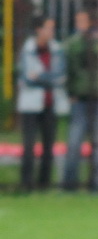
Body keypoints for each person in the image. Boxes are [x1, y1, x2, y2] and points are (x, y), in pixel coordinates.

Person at [16, 15, 69, 192]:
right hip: (30, 104)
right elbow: (26, 78)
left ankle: (44, 184)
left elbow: (60, 77)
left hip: (50, 103)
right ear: (38, 29)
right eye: (48, 27)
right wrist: (49, 78)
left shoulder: (57, 50)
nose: (52, 31)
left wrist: (39, 76)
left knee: (48, 145)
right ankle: (26, 184)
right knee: (29, 145)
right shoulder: (27, 50)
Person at [62, 9, 98, 193]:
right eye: (78, 21)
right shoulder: (72, 44)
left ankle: (97, 184)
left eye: (83, 21)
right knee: (74, 143)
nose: (80, 25)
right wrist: (70, 92)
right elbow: (68, 70)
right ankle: (69, 185)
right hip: (80, 99)